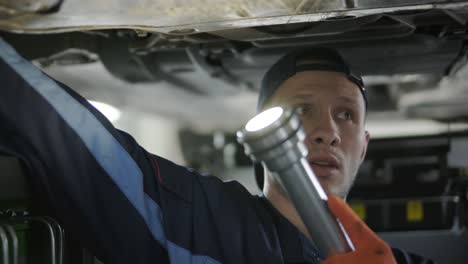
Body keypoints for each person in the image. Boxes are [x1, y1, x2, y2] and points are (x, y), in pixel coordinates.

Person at [0, 36, 432, 264]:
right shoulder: (202, 221)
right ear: (260, 134)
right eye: (301, 110)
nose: (326, 133)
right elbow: (73, 139)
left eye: (346, 116)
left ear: (363, 145)